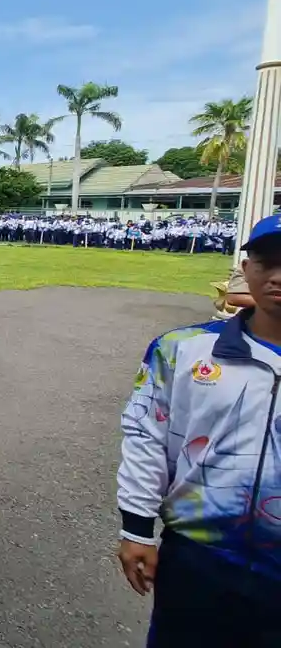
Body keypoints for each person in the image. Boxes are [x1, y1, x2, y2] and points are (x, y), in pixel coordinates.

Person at [116, 212, 281, 647]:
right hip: (200, 553)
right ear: (246, 270)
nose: (278, 277)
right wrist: (136, 528)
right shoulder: (181, 351)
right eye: (267, 262)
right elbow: (146, 438)